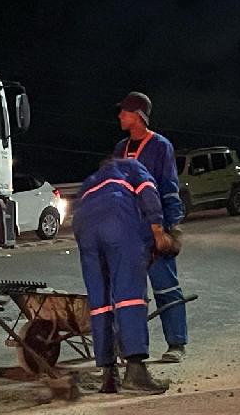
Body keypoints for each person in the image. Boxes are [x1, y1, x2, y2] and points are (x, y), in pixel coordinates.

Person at [74, 157, 179, 394]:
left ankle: (108, 376)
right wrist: (158, 229)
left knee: (100, 303)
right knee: (129, 297)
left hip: (84, 228)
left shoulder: (92, 180)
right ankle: (135, 372)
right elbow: (147, 190)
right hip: (118, 221)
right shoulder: (133, 166)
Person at [112, 91, 187, 363]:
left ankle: (176, 343)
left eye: (125, 111)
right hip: (128, 231)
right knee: (129, 293)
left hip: (155, 227)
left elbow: (168, 187)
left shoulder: (160, 146)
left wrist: (171, 227)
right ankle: (130, 348)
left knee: (166, 286)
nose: (120, 115)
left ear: (138, 116)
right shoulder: (120, 148)